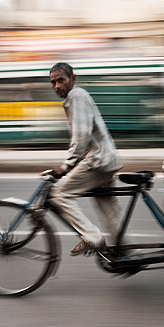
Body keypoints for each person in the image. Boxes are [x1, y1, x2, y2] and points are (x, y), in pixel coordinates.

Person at [45, 62, 123, 256]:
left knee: (58, 194)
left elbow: (81, 137)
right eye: (53, 82)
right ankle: (125, 253)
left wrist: (66, 166)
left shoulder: (76, 96)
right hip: (106, 160)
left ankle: (92, 237)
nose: (57, 86)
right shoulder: (76, 97)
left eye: (60, 80)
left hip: (97, 161)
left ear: (73, 79)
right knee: (109, 209)